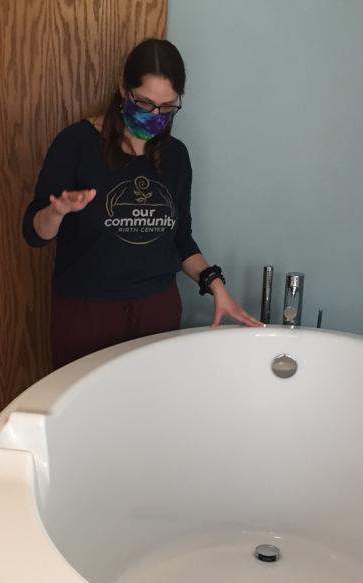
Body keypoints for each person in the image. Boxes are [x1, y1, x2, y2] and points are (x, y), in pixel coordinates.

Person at [23, 38, 262, 369]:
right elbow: (34, 233)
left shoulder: (176, 156)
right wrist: (57, 212)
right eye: (146, 103)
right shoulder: (76, 144)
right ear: (124, 89)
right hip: (88, 313)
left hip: (157, 310)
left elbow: (179, 238)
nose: (155, 115)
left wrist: (215, 285)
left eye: (167, 107)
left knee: (150, 411)